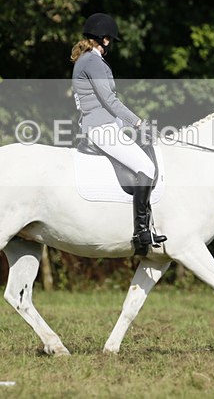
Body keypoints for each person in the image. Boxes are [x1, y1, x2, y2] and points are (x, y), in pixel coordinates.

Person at [71, 13, 167, 252]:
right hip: (101, 128)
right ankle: (141, 232)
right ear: (104, 39)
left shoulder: (86, 60)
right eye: (110, 40)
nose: (110, 44)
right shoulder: (93, 62)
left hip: (104, 125)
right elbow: (110, 101)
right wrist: (138, 123)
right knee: (147, 168)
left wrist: (128, 126)